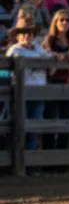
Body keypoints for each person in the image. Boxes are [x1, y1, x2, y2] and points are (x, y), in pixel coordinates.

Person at [41, 9, 69, 151]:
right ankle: (48, 156)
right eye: (61, 20)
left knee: (67, 119)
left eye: (67, 20)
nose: (65, 22)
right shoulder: (50, 40)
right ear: (56, 22)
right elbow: (47, 54)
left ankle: (62, 155)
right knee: (50, 118)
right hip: (53, 82)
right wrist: (65, 55)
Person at [6, 22, 49, 152]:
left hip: (38, 91)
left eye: (29, 33)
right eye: (23, 33)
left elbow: (48, 63)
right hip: (21, 93)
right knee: (21, 126)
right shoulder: (15, 50)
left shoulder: (39, 49)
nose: (26, 36)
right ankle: (19, 157)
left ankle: (31, 160)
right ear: (18, 36)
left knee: (35, 125)